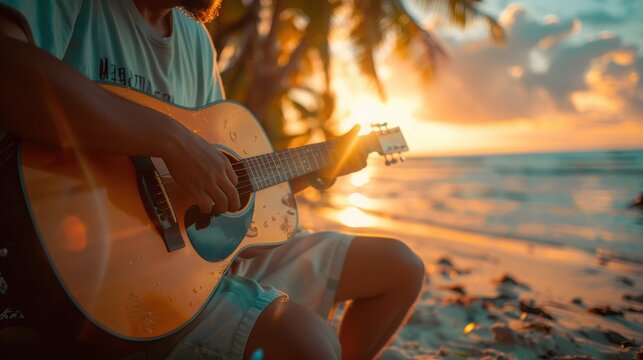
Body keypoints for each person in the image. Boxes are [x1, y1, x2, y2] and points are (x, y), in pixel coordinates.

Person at [0, 1, 425, 359]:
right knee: (309, 342)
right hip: (87, 262)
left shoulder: (195, 41)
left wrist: (313, 168)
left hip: (196, 258)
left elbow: (218, 183)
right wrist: (167, 138)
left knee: (400, 269)